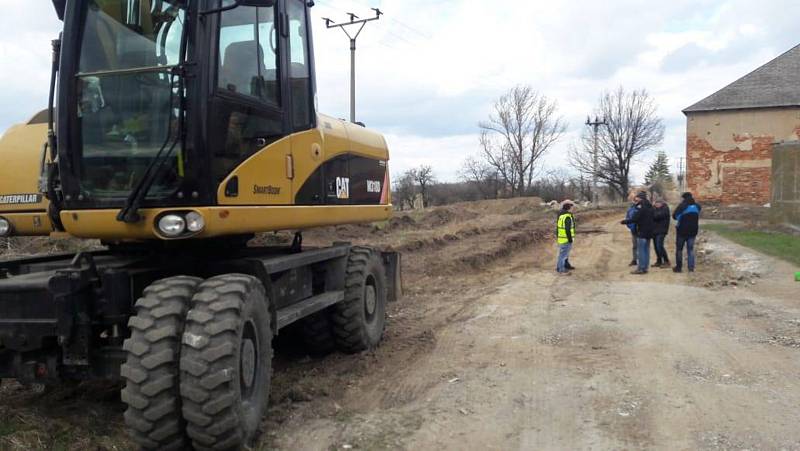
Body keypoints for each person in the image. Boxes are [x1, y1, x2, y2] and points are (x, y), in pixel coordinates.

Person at [621, 191, 655, 275]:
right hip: (649, 231)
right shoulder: (650, 206)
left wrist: (624, 221)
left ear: (640, 198)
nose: (636, 199)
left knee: (641, 251)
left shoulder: (641, 207)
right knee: (646, 250)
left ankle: (640, 268)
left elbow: (635, 218)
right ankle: (645, 268)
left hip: (642, 231)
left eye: (637, 198)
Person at [672, 192, 702, 273]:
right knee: (690, 250)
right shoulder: (697, 206)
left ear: (684, 198)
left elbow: (674, 216)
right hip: (693, 231)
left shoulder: (682, 205)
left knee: (679, 249)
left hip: (681, 231)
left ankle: (679, 268)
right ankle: (691, 268)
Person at [555, 200, 576, 274]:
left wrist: (558, 235)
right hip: (566, 239)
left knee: (565, 254)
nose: (573, 208)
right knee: (563, 254)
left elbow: (558, 227)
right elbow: (567, 229)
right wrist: (570, 239)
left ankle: (565, 265)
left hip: (562, 238)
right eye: (572, 207)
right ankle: (560, 269)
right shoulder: (567, 216)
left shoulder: (561, 215)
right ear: (569, 207)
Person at [652, 199, 671, 268]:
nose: (656, 204)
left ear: (662, 203)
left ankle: (666, 261)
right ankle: (659, 261)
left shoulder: (665, 209)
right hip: (654, 230)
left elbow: (657, 216)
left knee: (659, 246)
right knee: (656, 247)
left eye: (658, 203)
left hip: (662, 230)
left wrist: (653, 212)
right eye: (656, 203)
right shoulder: (655, 209)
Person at [624, 193, 639, 266]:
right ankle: (634, 259)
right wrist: (630, 226)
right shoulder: (630, 209)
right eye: (633, 200)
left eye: (635, 200)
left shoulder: (640, 208)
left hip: (641, 229)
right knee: (634, 246)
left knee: (641, 246)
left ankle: (641, 260)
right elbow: (627, 218)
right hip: (633, 230)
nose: (634, 201)